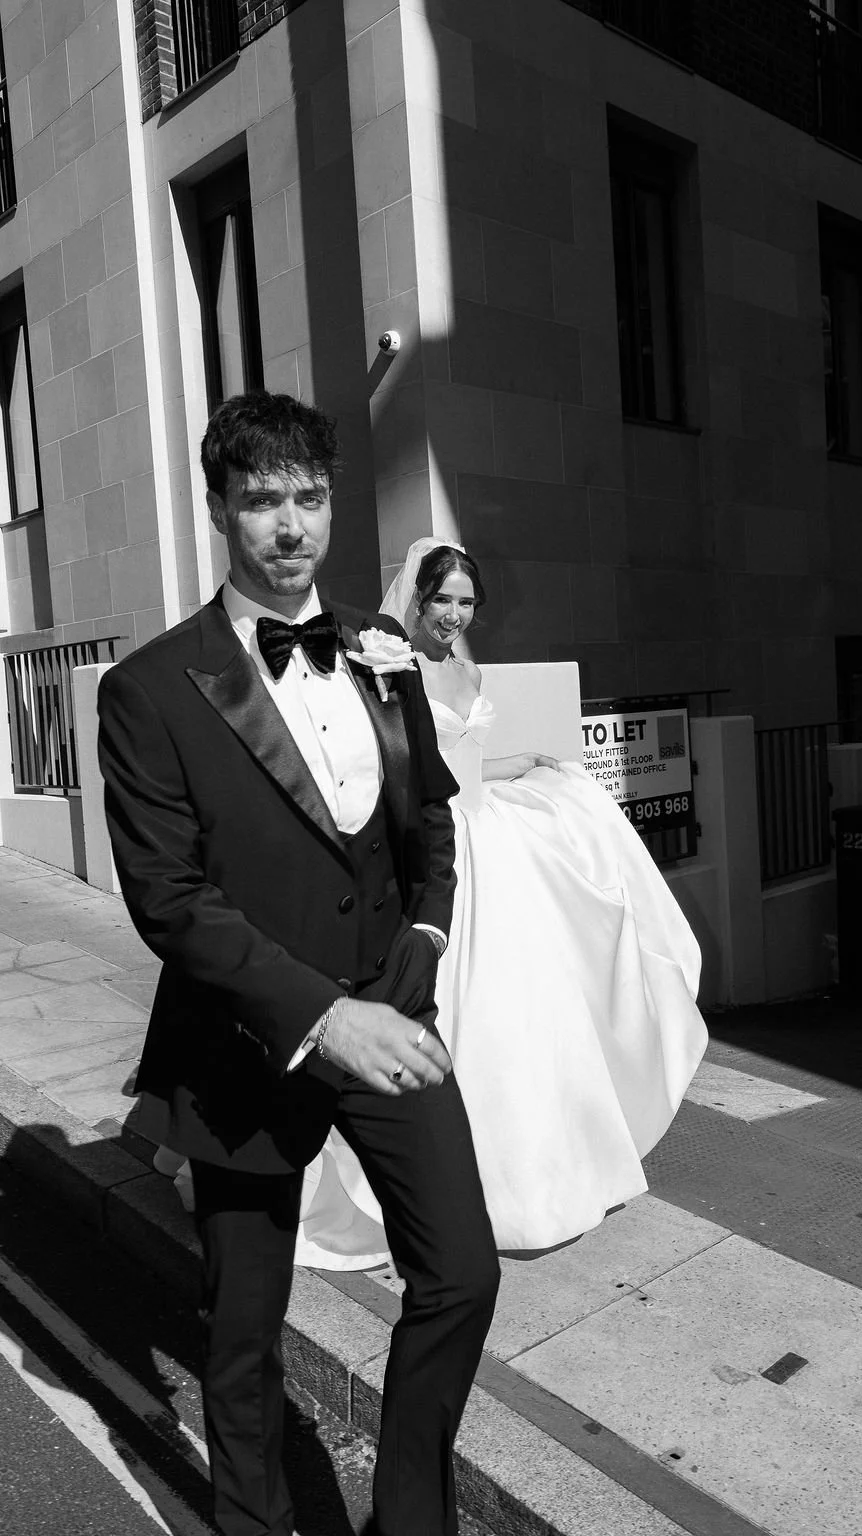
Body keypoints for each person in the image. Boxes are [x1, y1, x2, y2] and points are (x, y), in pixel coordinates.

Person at [98, 399, 499, 1536]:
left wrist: (420, 945)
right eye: (262, 499)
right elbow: (170, 902)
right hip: (243, 1045)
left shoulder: (381, 647)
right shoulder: (149, 688)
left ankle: (410, 1522)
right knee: (242, 1332)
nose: (289, 526)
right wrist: (326, 1018)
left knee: (462, 1274)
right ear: (220, 508)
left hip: (391, 1012)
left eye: (308, 498)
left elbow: (433, 828)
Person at [295, 537, 708, 1266]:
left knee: (531, 1009)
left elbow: (466, 758)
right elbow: (396, 765)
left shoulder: (467, 667)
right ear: (415, 600)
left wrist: (530, 763)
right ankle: (427, 1186)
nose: (453, 614)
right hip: (439, 841)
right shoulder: (392, 665)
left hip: (490, 827)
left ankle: (550, 1168)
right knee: (456, 1002)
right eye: (442, 599)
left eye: (465, 601)